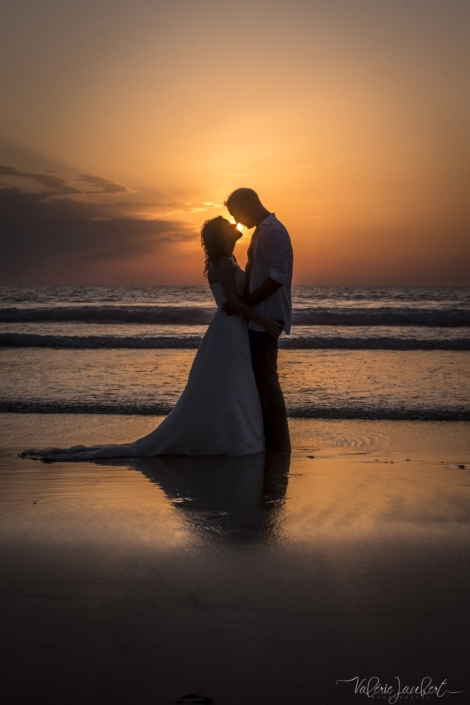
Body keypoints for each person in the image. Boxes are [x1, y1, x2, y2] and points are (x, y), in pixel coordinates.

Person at [20, 217, 283, 461]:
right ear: (221, 234)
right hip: (229, 328)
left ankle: (236, 435)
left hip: (233, 327)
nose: (234, 224)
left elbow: (238, 297)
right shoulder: (223, 262)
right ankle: (232, 438)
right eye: (228, 223)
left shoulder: (230, 258)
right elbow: (234, 302)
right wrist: (265, 321)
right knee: (232, 382)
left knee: (235, 382)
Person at [224, 188, 293, 453]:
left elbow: (277, 277)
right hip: (258, 314)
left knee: (266, 380)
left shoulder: (274, 231)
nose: (238, 222)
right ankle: (268, 439)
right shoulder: (261, 232)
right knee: (260, 380)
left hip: (266, 315)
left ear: (249, 205)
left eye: (237, 214)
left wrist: (245, 304)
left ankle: (279, 445)